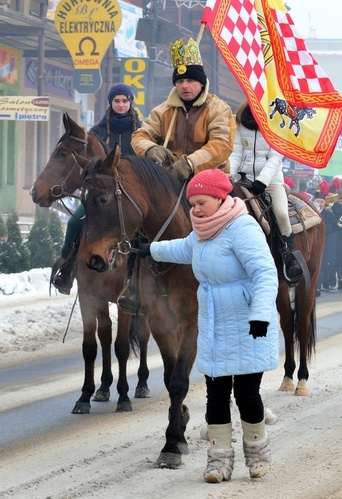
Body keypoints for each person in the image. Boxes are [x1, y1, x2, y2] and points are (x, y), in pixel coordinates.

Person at [137, 169, 278, 482]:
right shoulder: (201, 231)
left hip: (246, 323)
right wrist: (150, 249)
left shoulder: (243, 228)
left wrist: (260, 316)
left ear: (220, 198)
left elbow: (265, 275)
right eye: (192, 204)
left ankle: (256, 455)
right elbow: (183, 249)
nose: (196, 209)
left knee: (246, 395)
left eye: (202, 202)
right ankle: (218, 461)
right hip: (213, 324)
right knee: (215, 396)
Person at [50, 83, 142, 294]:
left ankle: (151, 280)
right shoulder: (97, 132)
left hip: (133, 193)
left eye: (125, 101)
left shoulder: (142, 131)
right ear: (111, 103)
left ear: (130, 103)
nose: (121, 105)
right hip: (103, 193)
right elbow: (89, 163)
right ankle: (67, 268)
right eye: (116, 101)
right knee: (75, 222)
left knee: (148, 230)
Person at [131, 37, 236, 180]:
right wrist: (150, 148)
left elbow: (221, 144)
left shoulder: (219, 108)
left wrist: (190, 164)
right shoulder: (162, 110)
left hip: (211, 178)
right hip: (171, 179)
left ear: (202, 83)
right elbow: (139, 136)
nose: (184, 86)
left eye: (190, 80)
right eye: (180, 81)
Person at [229, 102, 303, 284]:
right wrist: (228, 176)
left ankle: (288, 257)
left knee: (282, 215)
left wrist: (262, 181)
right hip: (242, 179)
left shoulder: (277, 123)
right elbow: (236, 153)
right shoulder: (240, 122)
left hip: (271, 182)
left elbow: (276, 157)